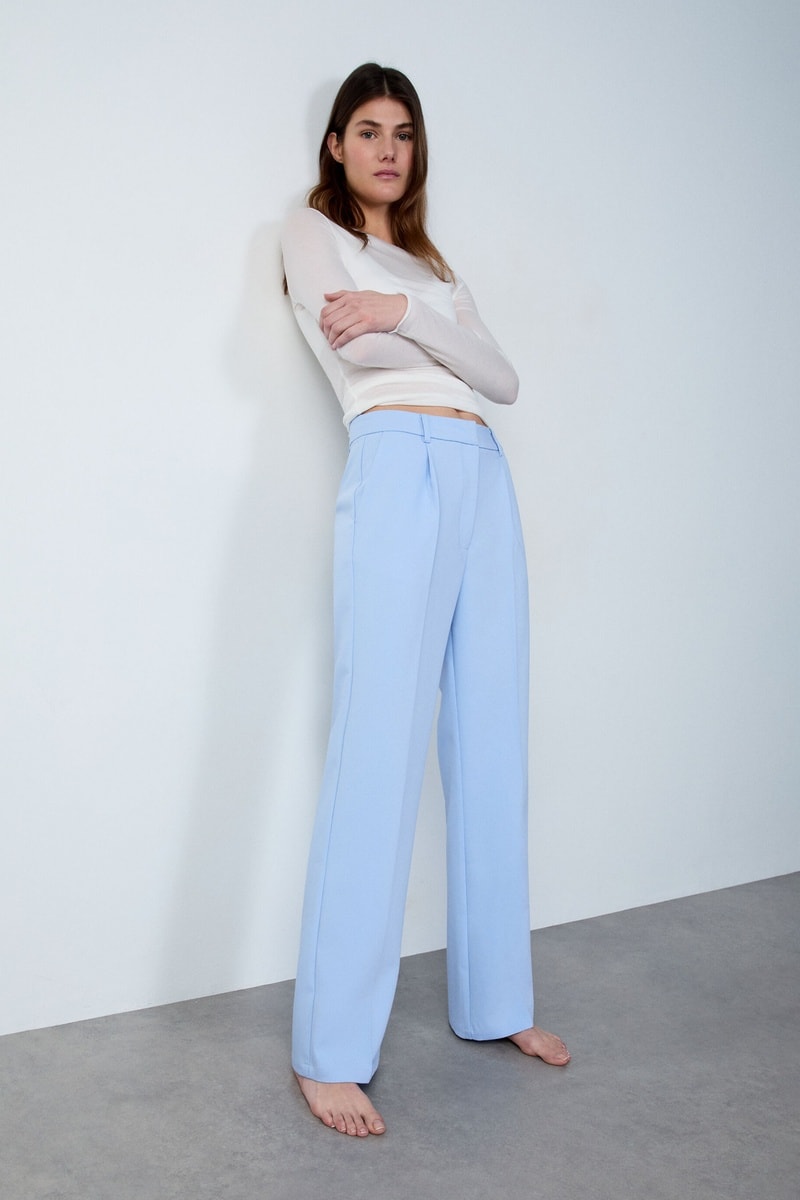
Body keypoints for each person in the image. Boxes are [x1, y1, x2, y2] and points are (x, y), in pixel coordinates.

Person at [281, 62, 569, 1138]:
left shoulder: (428, 267)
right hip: (396, 458)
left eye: (402, 132)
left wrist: (403, 307)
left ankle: (497, 1002)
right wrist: (415, 330)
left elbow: (501, 380)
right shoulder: (310, 233)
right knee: (379, 745)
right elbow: (352, 342)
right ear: (336, 145)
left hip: (483, 473)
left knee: (492, 737)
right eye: (367, 130)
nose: (387, 149)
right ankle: (328, 1051)